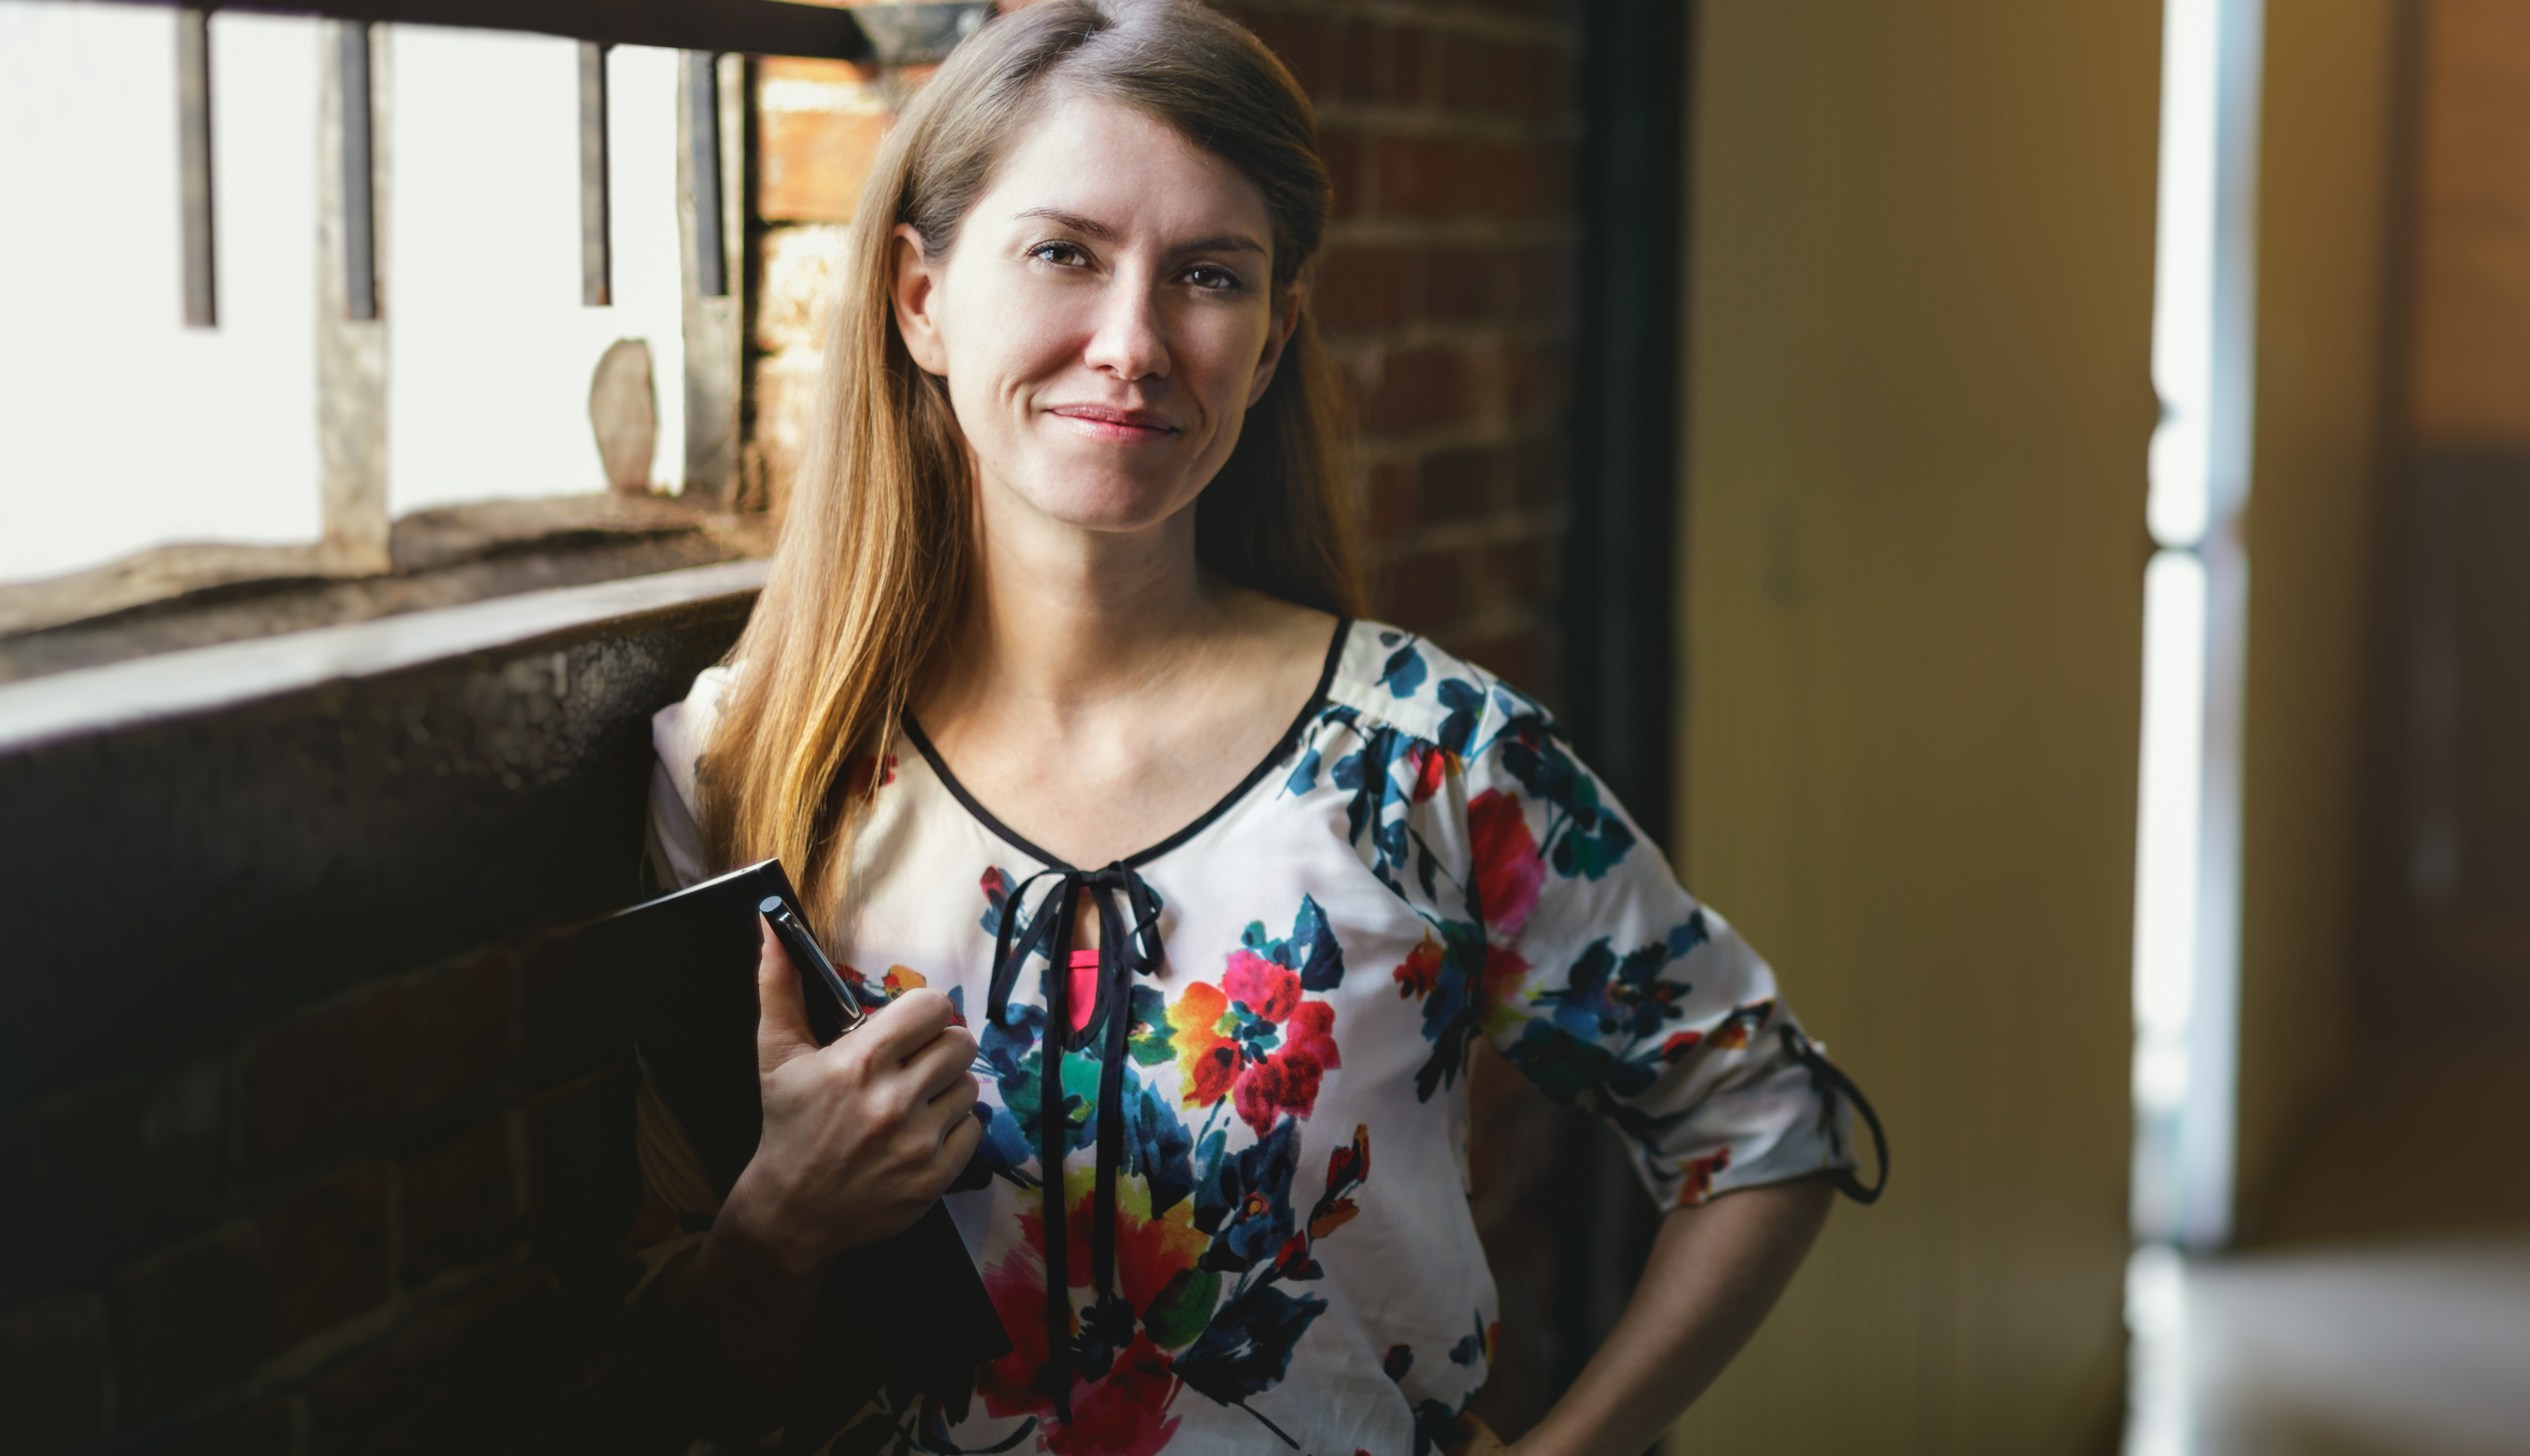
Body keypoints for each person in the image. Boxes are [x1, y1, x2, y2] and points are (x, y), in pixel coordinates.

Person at [628, 3, 1880, 1452]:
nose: (1134, 343)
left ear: (1274, 337)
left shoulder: (1427, 759)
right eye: (1064, 253)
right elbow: (666, 1384)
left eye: (1208, 276)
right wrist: (779, 1221)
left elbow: (1768, 1120)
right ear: (921, 298)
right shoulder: (746, 770)